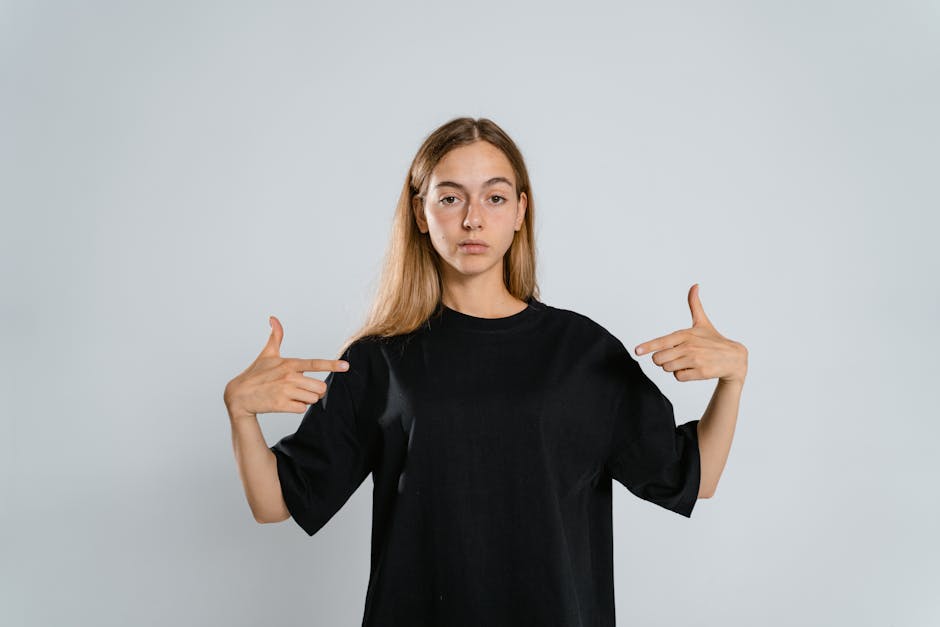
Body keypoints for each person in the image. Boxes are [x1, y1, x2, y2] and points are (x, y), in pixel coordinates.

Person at [223, 117, 747, 627]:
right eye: (450, 197)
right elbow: (274, 503)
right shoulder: (378, 360)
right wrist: (241, 412)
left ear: (520, 211)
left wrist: (733, 378)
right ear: (421, 213)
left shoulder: (582, 352)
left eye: (494, 197)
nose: (473, 218)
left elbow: (693, 478)